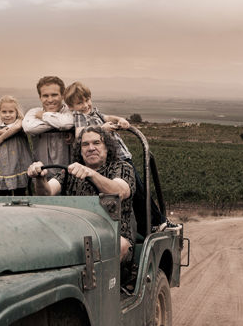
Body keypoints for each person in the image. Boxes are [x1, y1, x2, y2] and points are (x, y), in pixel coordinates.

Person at [63, 81, 173, 232]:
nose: (86, 105)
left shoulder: (93, 113)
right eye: (80, 102)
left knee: (139, 192)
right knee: (139, 194)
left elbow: (108, 117)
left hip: (123, 156)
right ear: (71, 107)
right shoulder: (79, 116)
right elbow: (80, 134)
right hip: (117, 160)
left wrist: (119, 120)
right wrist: (102, 130)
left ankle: (154, 222)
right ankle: (154, 223)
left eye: (87, 99)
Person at [27, 126, 136, 266]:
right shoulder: (70, 171)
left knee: (116, 245)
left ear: (107, 147)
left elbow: (119, 191)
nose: (90, 148)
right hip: (74, 231)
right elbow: (47, 193)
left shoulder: (122, 167)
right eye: (85, 144)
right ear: (80, 149)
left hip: (115, 234)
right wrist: (40, 178)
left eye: (96, 143)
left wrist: (91, 173)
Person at [0, 95, 32, 195]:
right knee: (3, 191)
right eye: (4, 112)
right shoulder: (0, 124)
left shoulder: (19, 121)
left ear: (17, 112)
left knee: (20, 191)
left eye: (11, 112)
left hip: (18, 163)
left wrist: (2, 137)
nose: (7, 115)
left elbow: (16, 128)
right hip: (4, 165)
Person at [22, 76, 74, 174]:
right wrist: (60, 125)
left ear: (63, 95)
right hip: (41, 174)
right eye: (45, 96)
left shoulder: (70, 111)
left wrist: (44, 116)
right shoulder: (33, 112)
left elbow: (66, 123)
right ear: (40, 97)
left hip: (68, 174)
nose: (50, 100)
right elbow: (29, 128)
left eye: (54, 95)